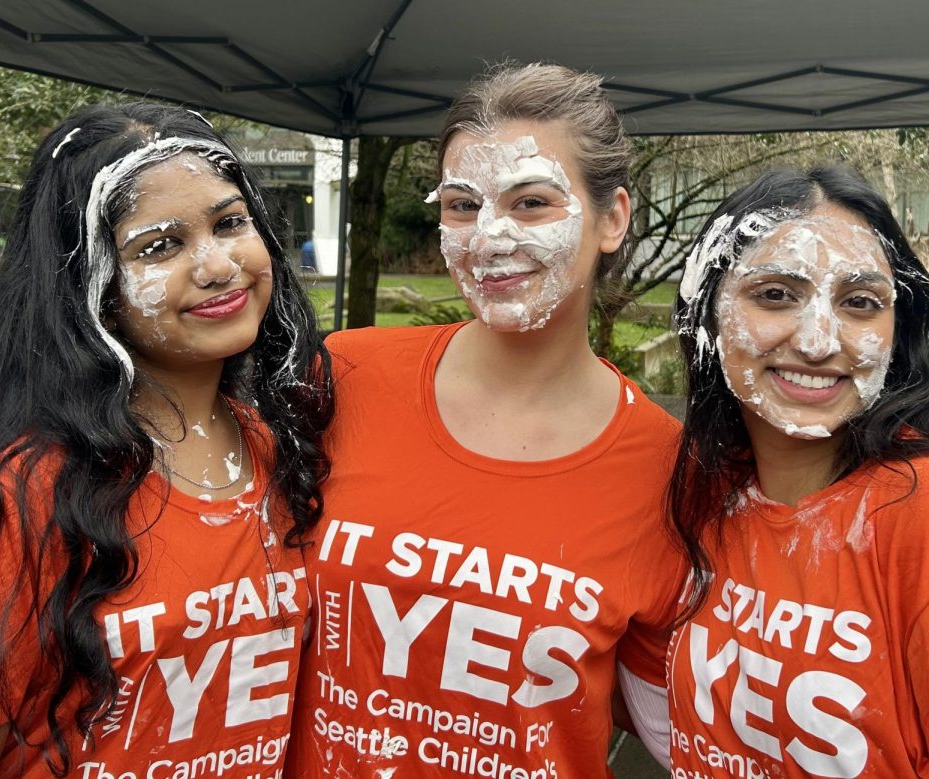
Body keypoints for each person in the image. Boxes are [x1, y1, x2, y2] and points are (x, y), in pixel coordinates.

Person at [0, 102, 332, 777]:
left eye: (230, 223)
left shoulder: (281, 450)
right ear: (91, 286)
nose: (219, 265)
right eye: (160, 245)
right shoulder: (22, 487)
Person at [287, 62, 685, 776]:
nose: (488, 237)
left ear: (613, 218)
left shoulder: (666, 466)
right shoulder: (340, 376)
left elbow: (685, 733)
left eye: (531, 202)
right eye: (462, 205)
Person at [651, 166, 929, 777]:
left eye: (859, 303)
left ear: (897, 330)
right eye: (775, 294)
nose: (820, 341)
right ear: (707, 317)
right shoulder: (708, 490)